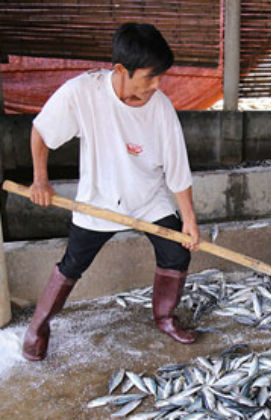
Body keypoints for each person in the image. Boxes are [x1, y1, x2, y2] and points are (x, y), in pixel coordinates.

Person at [22, 22, 201, 361]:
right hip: (98, 200)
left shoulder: (160, 106)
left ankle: (164, 318)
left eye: (160, 77)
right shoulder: (82, 92)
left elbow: (178, 168)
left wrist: (189, 221)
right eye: (149, 77)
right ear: (121, 69)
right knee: (73, 264)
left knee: (177, 253)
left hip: (149, 199)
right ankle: (38, 329)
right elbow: (42, 131)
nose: (157, 85)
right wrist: (40, 179)